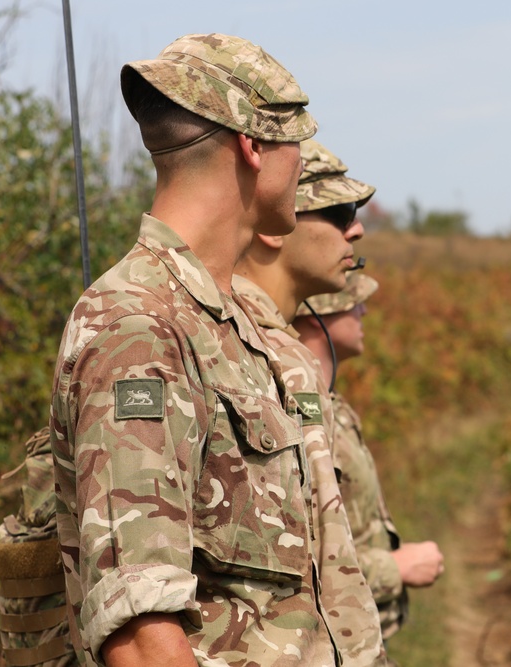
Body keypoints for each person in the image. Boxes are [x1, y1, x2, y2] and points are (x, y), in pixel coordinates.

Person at [49, 34, 338, 666]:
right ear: (255, 145)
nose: (303, 164)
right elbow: (141, 635)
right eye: (298, 141)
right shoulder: (140, 325)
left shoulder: (227, 321)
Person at [231, 138, 386, 666]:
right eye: (338, 212)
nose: (357, 230)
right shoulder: (222, 353)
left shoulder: (285, 357)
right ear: (276, 224)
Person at [295, 273, 445, 652]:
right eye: (353, 302)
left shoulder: (333, 406)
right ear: (317, 312)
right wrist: (393, 568)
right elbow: (295, 553)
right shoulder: (299, 411)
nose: (363, 311)